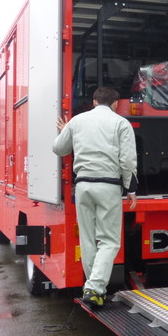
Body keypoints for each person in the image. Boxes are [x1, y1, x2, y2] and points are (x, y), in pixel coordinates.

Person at [53, 86, 138, 308]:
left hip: (83, 186)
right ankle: (95, 288)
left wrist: (67, 131)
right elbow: (128, 160)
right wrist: (130, 189)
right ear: (115, 104)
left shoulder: (77, 121)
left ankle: (93, 288)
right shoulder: (121, 123)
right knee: (109, 240)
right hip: (108, 186)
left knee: (88, 239)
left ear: (94, 102)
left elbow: (59, 148)